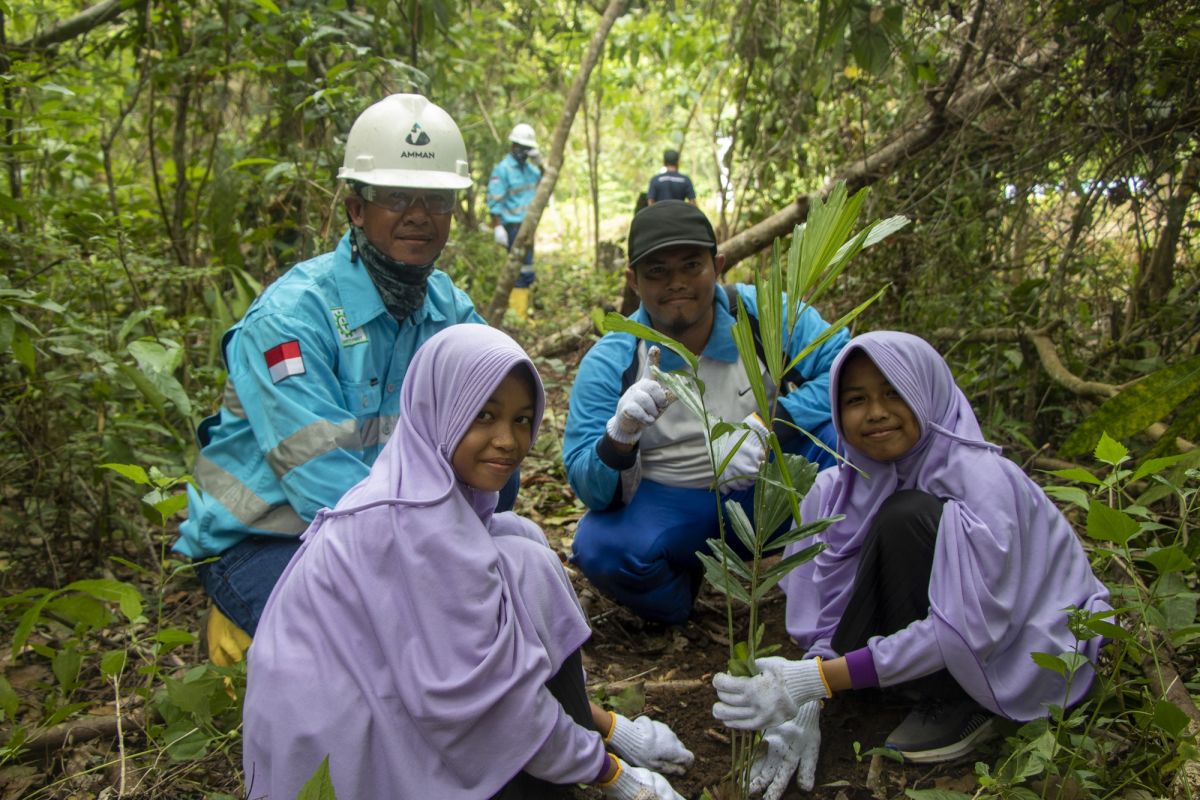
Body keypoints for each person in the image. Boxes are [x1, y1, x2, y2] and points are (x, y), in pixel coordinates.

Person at [242, 325, 694, 800]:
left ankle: (577, 735)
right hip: (338, 747)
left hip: (380, 692)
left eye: (522, 420)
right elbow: (488, 708)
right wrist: (611, 773)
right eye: (484, 415)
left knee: (522, 544)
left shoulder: (418, 489)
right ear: (439, 409)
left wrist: (605, 727)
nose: (507, 440)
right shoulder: (416, 528)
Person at [174, 94, 513, 664]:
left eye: (436, 199)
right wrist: (441, 557)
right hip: (269, 536)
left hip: (400, 523)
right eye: (396, 197)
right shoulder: (292, 319)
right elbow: (323, 486)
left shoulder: (446, 307)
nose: (419, 214)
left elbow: (502, 420)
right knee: (371, 652)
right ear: (357, 209)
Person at [710, 331, 1111, 798]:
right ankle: (893, 678)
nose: (876, 412)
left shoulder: (981, 480)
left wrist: (818, 680)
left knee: (907, 516)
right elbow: (825, 610)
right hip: (925, 633)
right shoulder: (834, 487)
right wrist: (807, 698)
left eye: (894, 393)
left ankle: (957, 700)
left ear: (927, 392)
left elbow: (973, 625)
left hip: (1013, 645)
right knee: (888, 513)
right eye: (856, 399)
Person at [563, 201, 848, 625]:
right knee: (602, 548)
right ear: (633, 281)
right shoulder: (612, 359)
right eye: (657, 271)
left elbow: (849, 367)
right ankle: (680, 599)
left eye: (691, 266)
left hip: (769, 485)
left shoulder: (762, 315)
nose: (676, 283)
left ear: (718, 266)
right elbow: (588, 485)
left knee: (850, 443)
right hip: (673, 504)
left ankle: (830, 584)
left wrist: (769, 423)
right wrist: (619, 436)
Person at [488, 122, 542, 320]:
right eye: (521, 147)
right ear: (513, 146)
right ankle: (517, 316)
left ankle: (524, 311)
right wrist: (498, 227)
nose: (524, 151)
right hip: (512, 226)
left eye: (527, 148)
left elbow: (545, 181)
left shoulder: (530, 168)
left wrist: (541, 162)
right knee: (518, 269)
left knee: (527, 268)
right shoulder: (502, 170)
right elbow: (494, 200)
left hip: (529, 226)